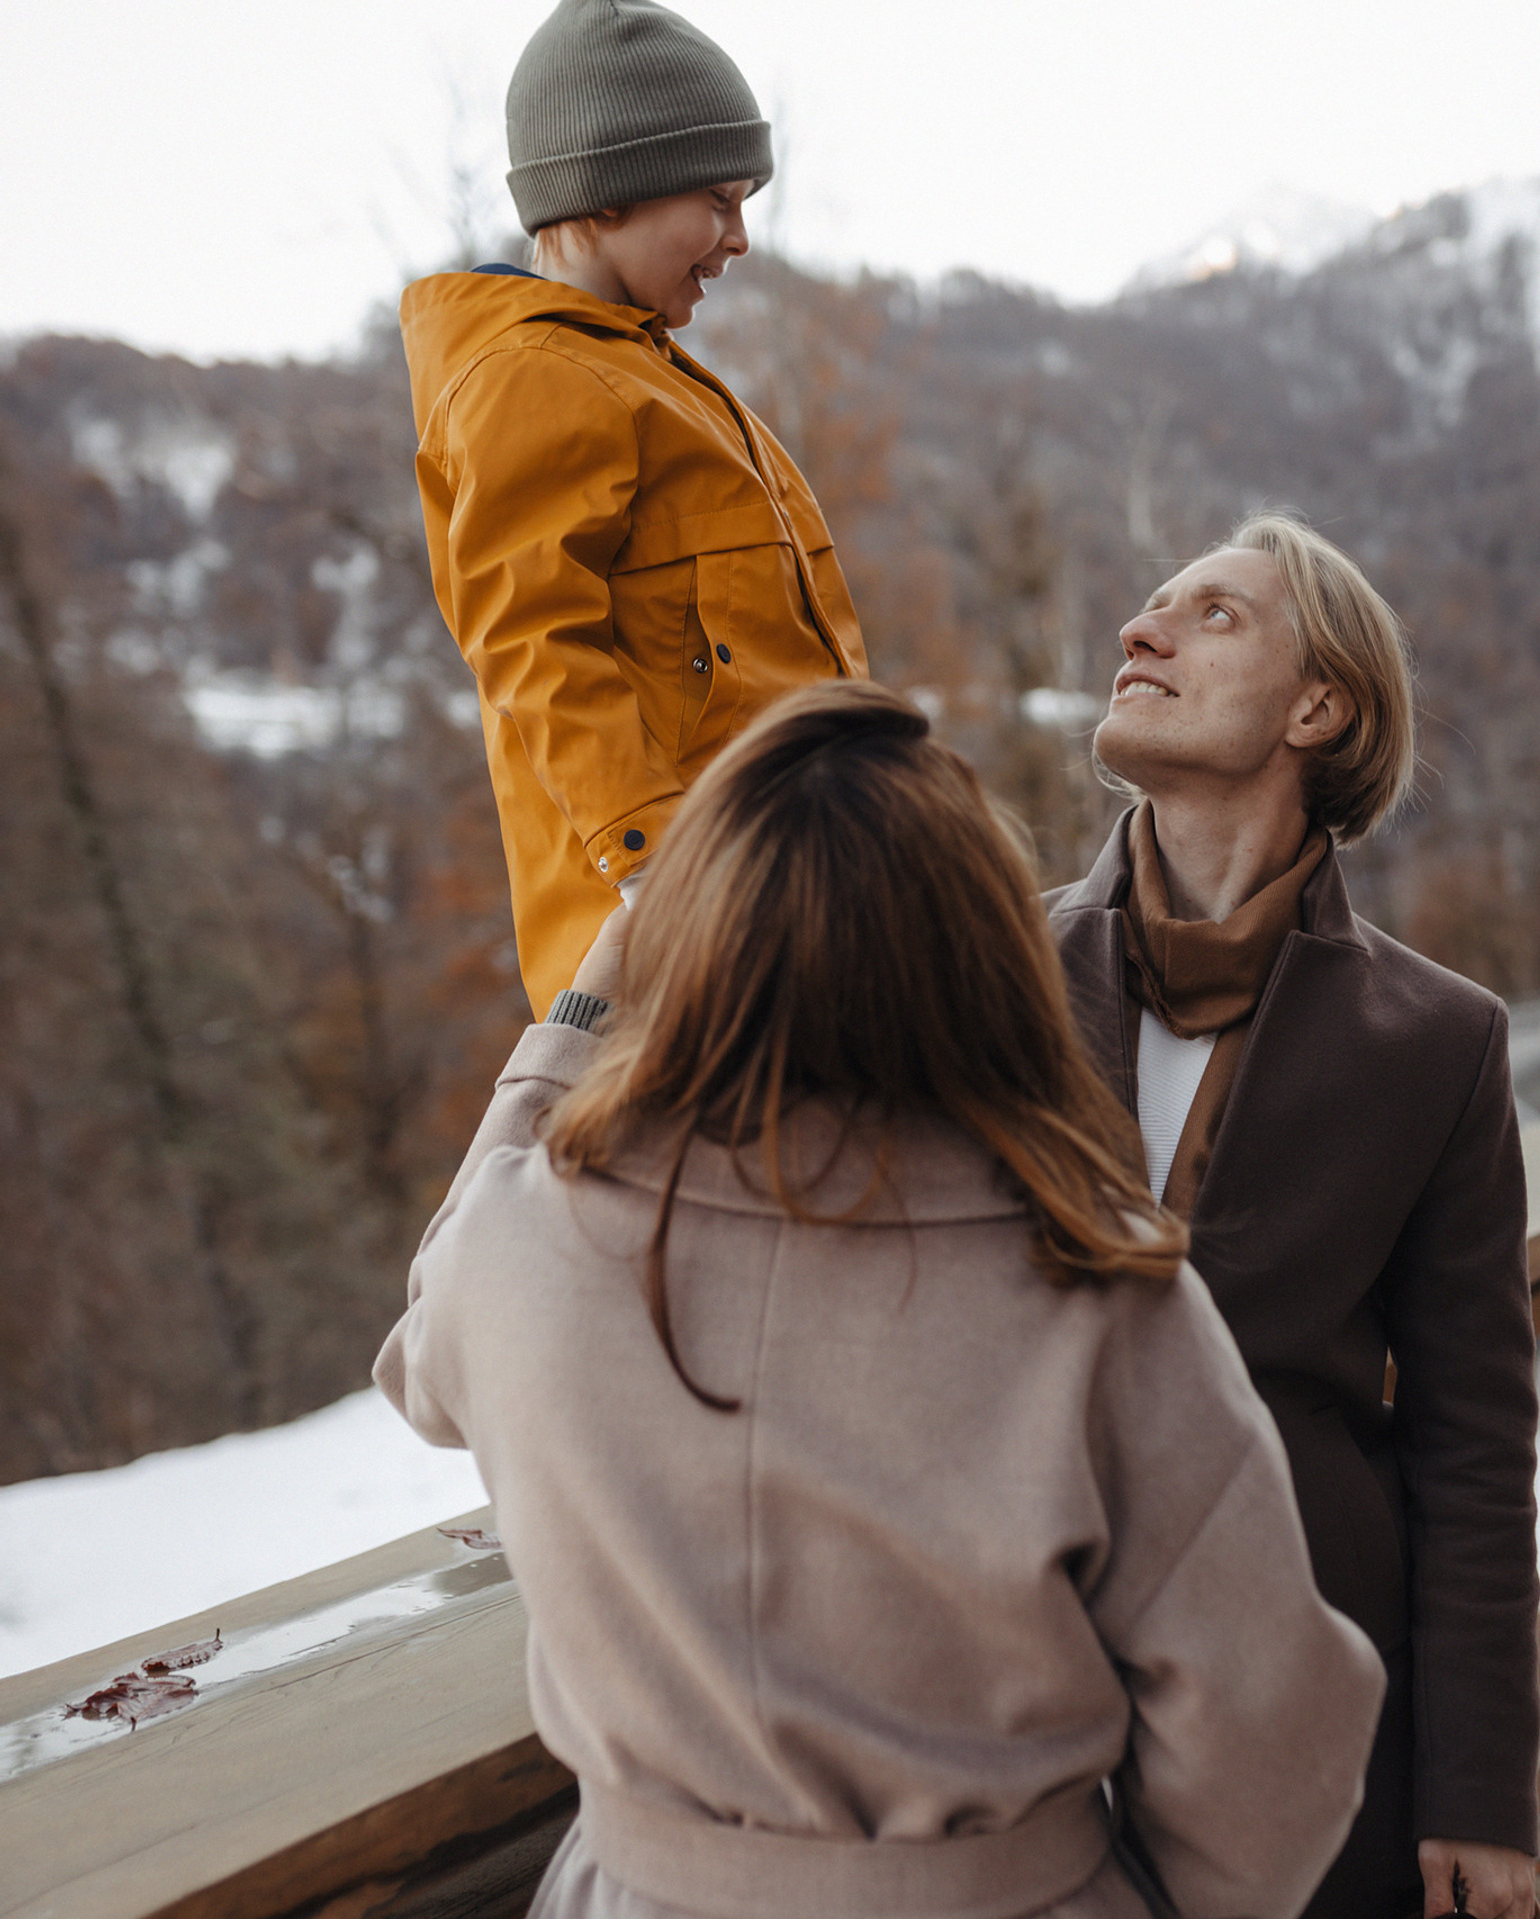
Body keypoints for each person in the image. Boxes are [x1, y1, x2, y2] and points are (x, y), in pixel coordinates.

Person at [375, 682, 1385, 1919]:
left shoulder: (524, 1242)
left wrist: (575, 1025)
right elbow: (1273, 1725)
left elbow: (421, 1366)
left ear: (683, 952)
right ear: (980, 953)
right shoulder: (1098, 1284)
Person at [1048, 515, 1540, 1919]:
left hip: (1314, 1712)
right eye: (1148, 608)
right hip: (1014, 1716)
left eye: (1211, 616)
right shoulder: (982, 976)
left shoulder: (1439, 1041)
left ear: (1318, 706)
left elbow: (1473, 1437)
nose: (1141, 633)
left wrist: (1478, 1788)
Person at [400, 0, 866, 1019]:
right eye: (719, 199)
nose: (740, 238)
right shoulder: (531, 375)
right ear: (610, 192)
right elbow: (532, 639)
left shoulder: (657, 380)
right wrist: (651, 867)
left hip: (793, 897)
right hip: (677, 947)